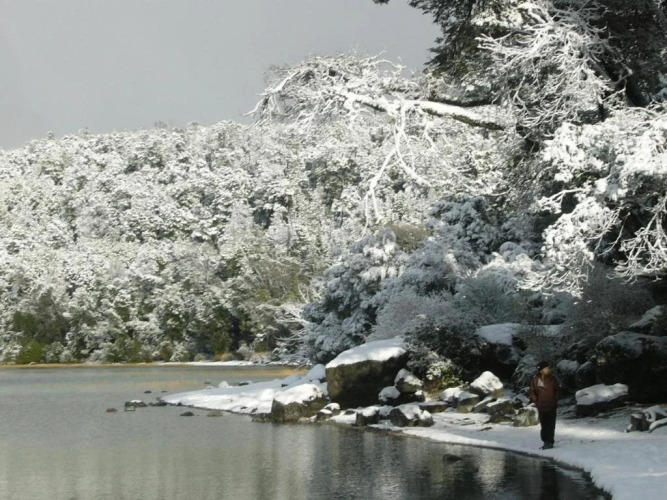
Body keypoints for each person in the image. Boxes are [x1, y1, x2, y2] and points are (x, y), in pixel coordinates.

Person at [529, 360, 561, 450]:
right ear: (541, 370)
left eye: (548, 368)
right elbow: (532, 392)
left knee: (551, 425)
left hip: (551, 405)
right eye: (546, 368)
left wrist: (554, 400)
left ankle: (550, 442)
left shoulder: (552, 379)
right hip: (541, 406)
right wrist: (536, 401)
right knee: (544, 425)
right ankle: (545, 441)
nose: (548, 369)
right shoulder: (535, 379)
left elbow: (558, 390)